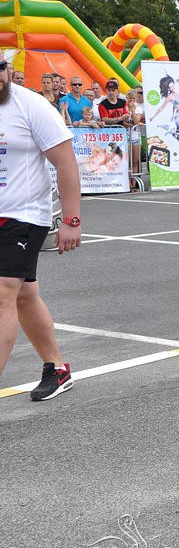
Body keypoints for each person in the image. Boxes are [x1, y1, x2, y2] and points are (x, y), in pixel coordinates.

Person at [0, 51, 83, 401]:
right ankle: (57, 368)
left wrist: (71, 220)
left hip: (24, 215)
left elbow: (65, 163)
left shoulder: (31, 106)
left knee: (3, 287)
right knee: (23, 294)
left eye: (1, 69)